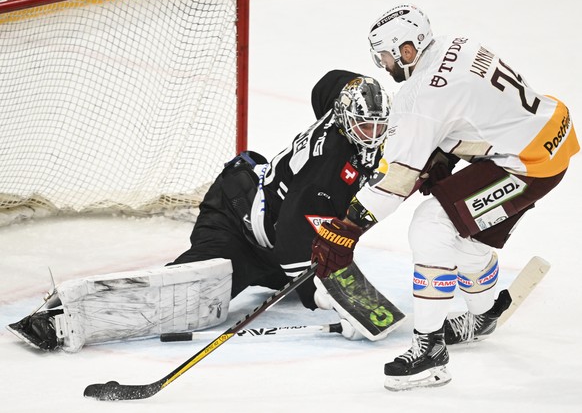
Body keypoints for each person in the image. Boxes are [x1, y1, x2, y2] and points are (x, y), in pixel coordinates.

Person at [8, 70, 394, 352]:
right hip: (238, 221)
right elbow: (295, 236)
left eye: (378, 127)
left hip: (270, 224)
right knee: (189, 296)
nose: (372, 135)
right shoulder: (326, 169)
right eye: (364, 127)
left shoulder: (345, 116)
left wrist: (358, 88)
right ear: (346, 119)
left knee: (280, 272)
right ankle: (60, 318)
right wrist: (325, 295)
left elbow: (327, 84)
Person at [311, 4, 579, 391]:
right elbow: (476, 111)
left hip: (528, 164)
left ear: (407, 50)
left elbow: (395, 182)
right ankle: (484, 314)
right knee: (463, 241)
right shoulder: (458, 43)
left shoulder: (423, 99)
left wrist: (347, 229)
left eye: (386, 55)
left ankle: (429, 352)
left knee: (431, 225)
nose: (384, 65)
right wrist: (442, 153)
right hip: (552, 133)